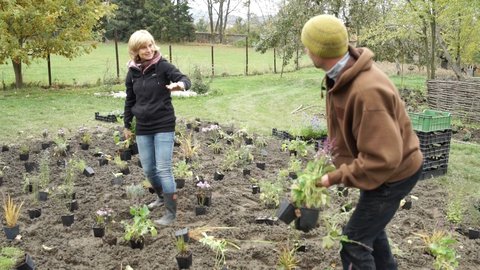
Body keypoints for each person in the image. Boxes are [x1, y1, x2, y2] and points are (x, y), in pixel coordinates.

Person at [301, 15, 423, 269]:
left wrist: (332, 178)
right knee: (371, 232)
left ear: (319, 51)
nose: (305, 50)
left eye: (307, 45)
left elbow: (382, 158)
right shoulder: (341, 75)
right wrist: (326, 160)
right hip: (385, 168)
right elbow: (346, 128)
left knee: (354, 243)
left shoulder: (367, 91)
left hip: (394, 173)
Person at [123, 30, 191, 225]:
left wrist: (180, 85)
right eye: (144, 47)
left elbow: (185, 79)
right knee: (148, 170)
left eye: (151, 45)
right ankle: (161, 197)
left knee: (163, 169)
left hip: (163, 124)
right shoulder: (133, 72)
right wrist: (127, 124)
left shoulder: (163, 66)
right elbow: (130, 99)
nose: (149, 49)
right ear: (135, 50)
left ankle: (171, 213)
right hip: (143, 126)